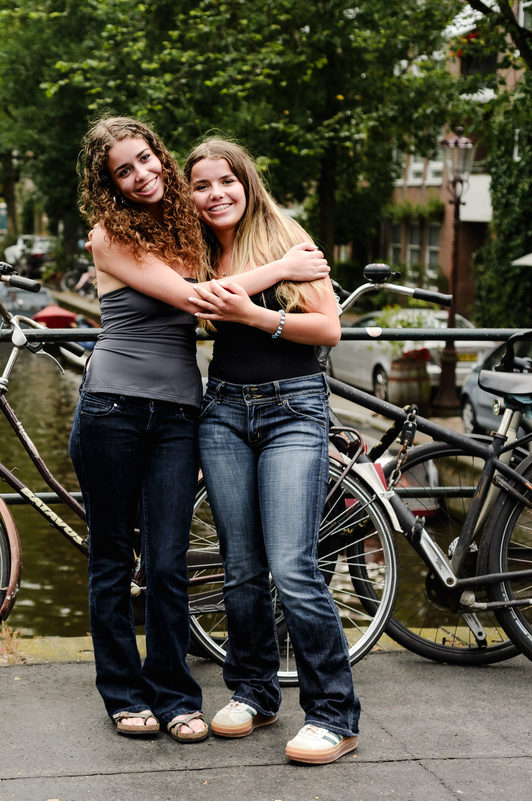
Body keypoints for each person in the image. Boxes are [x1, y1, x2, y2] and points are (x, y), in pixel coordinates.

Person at [70, 117, 329, 743]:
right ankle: (124, 695)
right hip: (112, 407)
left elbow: (235, 271)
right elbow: (199, 301)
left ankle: (176, 694)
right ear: (108, 184)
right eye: (122, 171)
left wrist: (287, 260)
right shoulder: (108, 236)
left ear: (161, 157)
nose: (140, 176)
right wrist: (283, 267)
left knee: (166, 563)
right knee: (112, 560)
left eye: (146, 160)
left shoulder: (187, 232)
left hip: (182, 413)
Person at [184, 135, 360, 765]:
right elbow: (201, 304)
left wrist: (259, 317)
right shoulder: (196, 245)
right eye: (201, 185)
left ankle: (334, 714)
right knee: (240, 567)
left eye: (225, 181)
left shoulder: (287, 235)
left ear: (246, 182)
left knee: (292, 565)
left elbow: (329, 328)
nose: (214, 195)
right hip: (223, 408)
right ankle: (254, 691)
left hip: (292, 407)